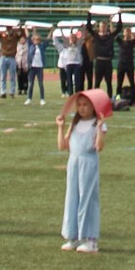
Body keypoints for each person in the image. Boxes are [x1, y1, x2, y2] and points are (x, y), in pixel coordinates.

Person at [57, 88, 106, 253]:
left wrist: (99, 128)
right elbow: (63, 145)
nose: (82, 108)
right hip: (74, 163)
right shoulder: (75, 123)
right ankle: (73, 236)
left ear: (93, 106)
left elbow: (98, 146)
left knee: (88, 198)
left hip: (88, 163)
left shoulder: (96, 123)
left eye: (86, 105)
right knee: (72, 197)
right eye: (79, 105)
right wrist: (60, 127)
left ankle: (90, 239)